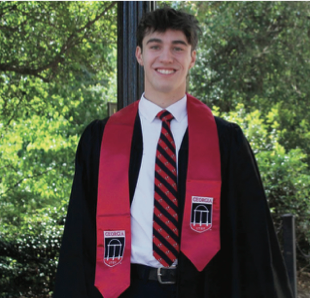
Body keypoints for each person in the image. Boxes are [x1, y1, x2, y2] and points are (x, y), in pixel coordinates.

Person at [53, 7, 293, 298]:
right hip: (126, 288)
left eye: (178, 48)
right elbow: (80, 237)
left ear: (192, 57)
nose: (166, 58)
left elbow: (252, 239)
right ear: (139, 54)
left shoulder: (225, 141)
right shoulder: (101, 140)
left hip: (203, 289)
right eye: (155, 46)